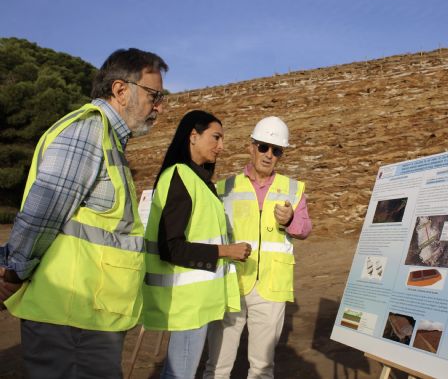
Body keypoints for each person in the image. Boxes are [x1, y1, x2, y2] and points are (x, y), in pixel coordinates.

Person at [0, 48, 168, 378]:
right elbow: (42, 213)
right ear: (121, 90)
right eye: (154, 95)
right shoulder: (89, 132)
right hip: (72, 321)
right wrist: (13, 273)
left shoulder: (109, 141)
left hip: (87, 317)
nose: (160, 106)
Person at [141, 110, 251, 379]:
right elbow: (171, 247)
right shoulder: (180, 177)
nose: (221, 147)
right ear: (193, 135)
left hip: (195, 303)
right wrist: (226, 251)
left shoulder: (199, 181)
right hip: (187, 303)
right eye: (216, 137)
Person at [205, 116, 312, 379]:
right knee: (217, 365)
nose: (269, 155)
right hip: (230, 285)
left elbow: (306, 228)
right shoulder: (224, 188)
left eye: (276, 151)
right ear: (250, 147)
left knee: (262, 368)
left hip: (271, 288)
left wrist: (289, 222)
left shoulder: (293, 189)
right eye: (263, 147)